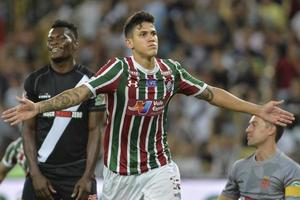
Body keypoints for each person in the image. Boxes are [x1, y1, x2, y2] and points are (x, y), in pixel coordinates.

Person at [2, 11, 295, 200]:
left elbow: (212, 93)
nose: (151, 37)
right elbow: (79, 94)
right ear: (129, 42)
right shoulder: (118, 69)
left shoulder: (172, 72)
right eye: (143, 33)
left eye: (153, 33)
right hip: (118, 176)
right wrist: (40, 108)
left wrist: (257, 109)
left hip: (159, 169)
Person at [14, 20, 104, 200]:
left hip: (78, 176)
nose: (54, 42)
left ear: (76, 44)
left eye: (61, 38)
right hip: (42, 173)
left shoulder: (91, 81)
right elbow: (28, 129)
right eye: (50, 39)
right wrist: (35, 174)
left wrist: (87, 176)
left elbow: (95, 131)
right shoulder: (35, 80)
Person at [218, 115, 300, 200]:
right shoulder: (239, 167)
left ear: (271, 129)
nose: (247, 130)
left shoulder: (291, 170)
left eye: (254, 125)